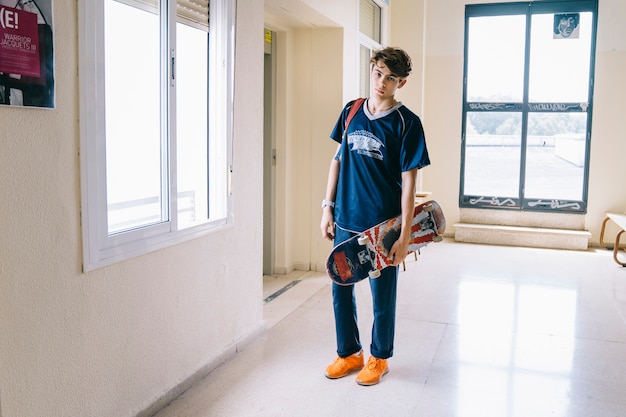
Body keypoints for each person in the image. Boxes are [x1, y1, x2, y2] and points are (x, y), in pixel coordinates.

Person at [320, 47, 430, 386]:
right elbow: (337, 160)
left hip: (381, 227)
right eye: (378, 73)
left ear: (402, 82)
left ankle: (378, 358)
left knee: (382, 296)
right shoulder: (352, 110)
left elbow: (410, 185)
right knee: (340, 289)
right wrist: (326, 205)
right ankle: (349, 353)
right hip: (344, 220)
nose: (382, 82)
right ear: (372, 69)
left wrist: (405, 235)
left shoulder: (407, 123)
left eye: (391, 78)